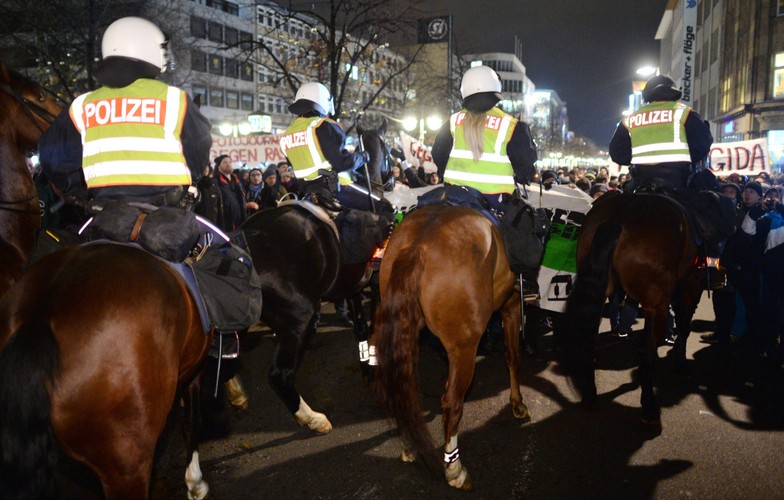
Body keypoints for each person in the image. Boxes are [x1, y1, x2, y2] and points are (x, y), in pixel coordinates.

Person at [40, 16, 211, 208]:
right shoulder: (174, 99)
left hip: (105, 214)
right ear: (145, 48)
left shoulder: (82, 105)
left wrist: (75, 188)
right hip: (166, 212)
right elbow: (200, 145)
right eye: (161, 49)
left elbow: (52, 158)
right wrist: (193, 182)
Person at [609, 74, 733, 274]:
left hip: (639, 183)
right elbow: (702, 144)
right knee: (710, 214)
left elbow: (617, 153)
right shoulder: (685, 114)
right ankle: (711, 265)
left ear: (647, 95)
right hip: (677, 182)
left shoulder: (631, 119)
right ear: (674, 94)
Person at [431, 65, 537, 213]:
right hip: (495, 199)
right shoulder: (512, 126)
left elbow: (438, 155)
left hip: (453, 195)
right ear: (495, 88)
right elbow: (525, 163)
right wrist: (526, 175)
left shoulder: (452, 122)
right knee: (525, 228)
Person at [278, 82, 369, 210]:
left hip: (308, 193)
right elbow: (342, 162)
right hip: (336, 189)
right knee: (383, 206)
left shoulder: (287, 134)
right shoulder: (323, 125)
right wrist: (363, 156)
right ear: (322, 100)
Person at [213, 154, 247, 232]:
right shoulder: (215, 182)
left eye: (230, 162)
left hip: (240, 223)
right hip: (225, 225)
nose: (228, 164)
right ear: (218, 167)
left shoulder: (237, 182)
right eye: (225, 162)